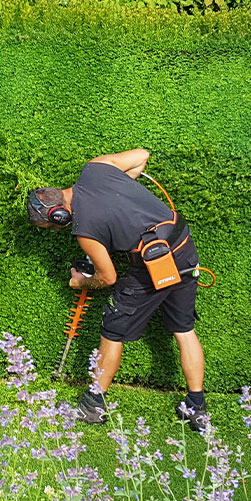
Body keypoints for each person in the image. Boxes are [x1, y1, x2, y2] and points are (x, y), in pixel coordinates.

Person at [27, 149, 207, 429]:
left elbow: (108, 277)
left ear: (60, 216)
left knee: (113, 330)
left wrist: (79, 281)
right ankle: (197, 408)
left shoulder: (84, 230)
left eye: (50, 226)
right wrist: (122, 192)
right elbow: (141, 156)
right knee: (184, 329)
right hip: (183, 247)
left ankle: (93, 406)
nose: (53, 230)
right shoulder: (94, 168)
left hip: (153, 263)